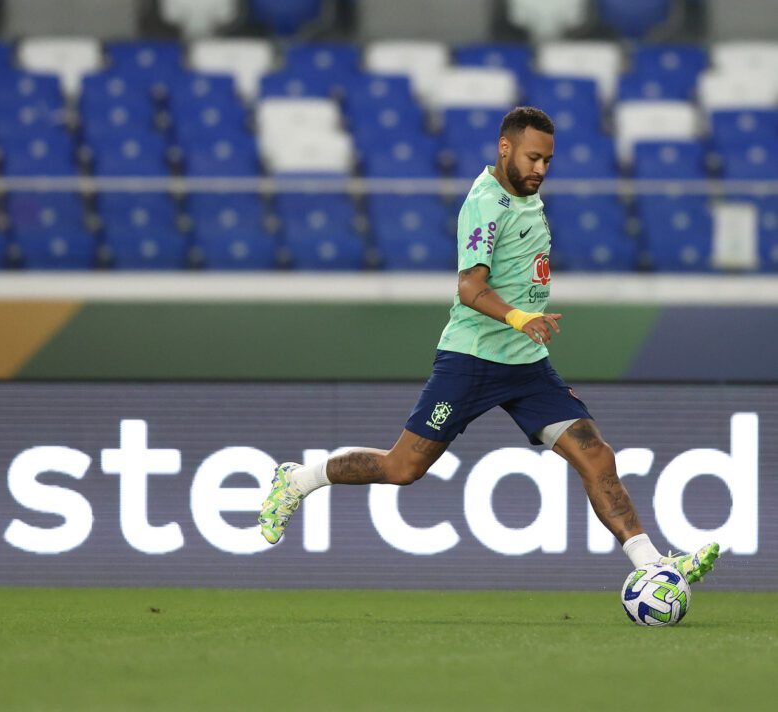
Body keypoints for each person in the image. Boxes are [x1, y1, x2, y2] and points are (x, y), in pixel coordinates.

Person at [258, 106, 720, 583]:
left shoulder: (525, 194)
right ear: (505, 149)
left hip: (527, 365)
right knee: (403, 467)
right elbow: (469, 287)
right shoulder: (485, 203)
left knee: (596, 453)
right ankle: (297, 480)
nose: (540, 170)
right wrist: (521, 317)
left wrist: (525, 325)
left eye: (547, 161)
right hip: (473, 359)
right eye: (533, 158)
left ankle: (652, 566)